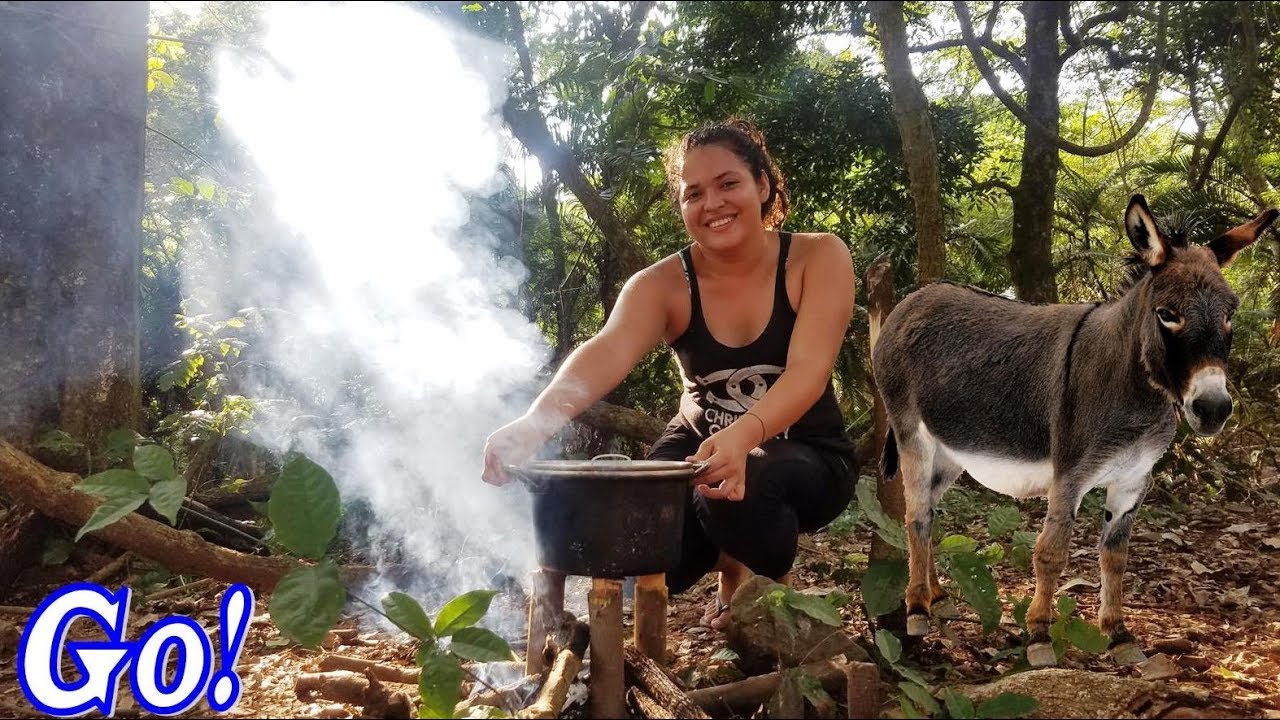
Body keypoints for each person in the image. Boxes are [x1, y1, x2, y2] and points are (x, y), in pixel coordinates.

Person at [482, 117, 857, 629]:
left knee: (739, 487)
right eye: (694, 193)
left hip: (809, 457)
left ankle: (761, 597)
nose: (713, 204)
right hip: (699, 446)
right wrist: (531, 426)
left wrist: (742, 436)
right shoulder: (661, 284)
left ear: (762, 185)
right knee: (639, 539)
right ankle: (705, 569)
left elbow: (809, 371)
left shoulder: (817, 256)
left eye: (729, 183)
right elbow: (606, 351)